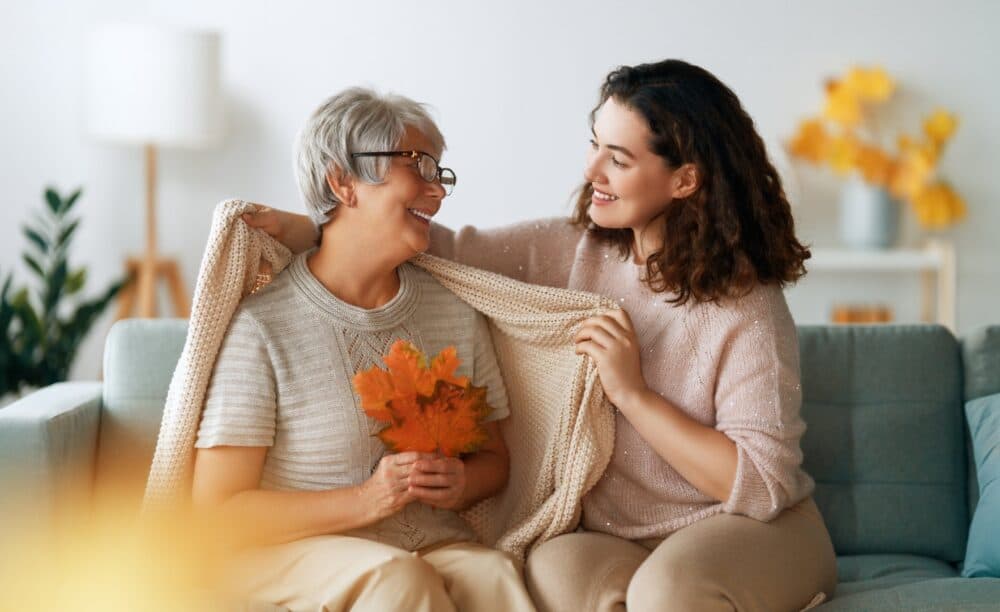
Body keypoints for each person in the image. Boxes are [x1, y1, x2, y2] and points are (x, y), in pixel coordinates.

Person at [247, 59, 838, 611]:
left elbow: (759, 485)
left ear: (684, 179)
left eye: (619, 159)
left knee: (667, 594)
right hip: (619, 536)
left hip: (750, 528)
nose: (592, 171)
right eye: (594, 144)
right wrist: (315, 225)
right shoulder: (577, 250)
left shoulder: (745, 306)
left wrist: (633, 394)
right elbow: (448, 253)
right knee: (548, 573)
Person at [192, 87, 535, 612]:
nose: (437, 192)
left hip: (422, 547)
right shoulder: (263, 326)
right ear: (342, 181)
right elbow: (217, 513)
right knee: (396, 579)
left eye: (438, 172)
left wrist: (463, 482)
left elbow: (494, 460)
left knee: (492, 574)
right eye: (417, 165)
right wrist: (366, 500)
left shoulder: (453, 311)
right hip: (291, 557)